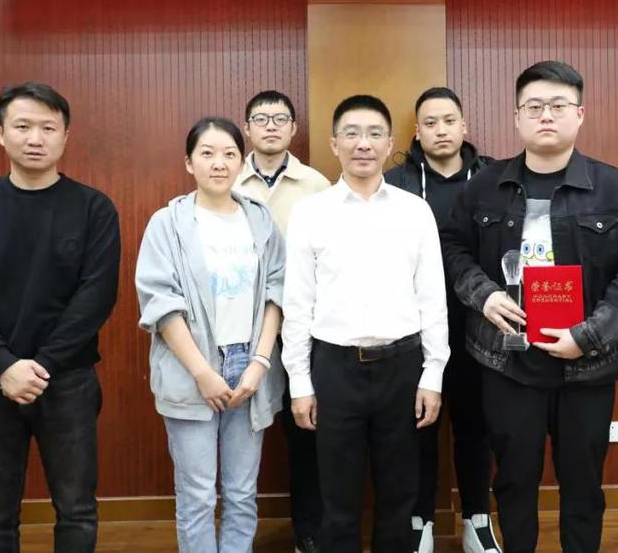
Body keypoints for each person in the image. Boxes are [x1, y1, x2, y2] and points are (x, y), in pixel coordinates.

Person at [441, 61, 618, 553]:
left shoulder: (615, 188)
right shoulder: (485, 186)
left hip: (587, 365)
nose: (545, 115)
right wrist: (484, 295)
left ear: (579, 114)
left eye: (558, 106)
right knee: (513, 482)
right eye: (534, 106)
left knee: (583, 486)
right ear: (517, 116)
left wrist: (588, 335)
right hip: (507, 362)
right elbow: (453, 248)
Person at [0, 81, 120, 552]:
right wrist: (4, 364)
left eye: (48, 127)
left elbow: (96, 296)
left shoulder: (94, 209)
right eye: (22, 126)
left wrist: (41, 366)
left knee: (77, 511)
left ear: (65, 135)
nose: (35, 138)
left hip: (68, 382)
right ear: (1, 134)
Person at [282, 95, 450, 553]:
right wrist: (300, 382)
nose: (363, 144)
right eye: (352, 134)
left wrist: (433, 375)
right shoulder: (310, 213)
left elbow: (432, 299)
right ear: (334, 143)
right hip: (334, 369)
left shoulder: (414, 211)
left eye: (375, 134)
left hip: (403, 367)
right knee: (337, 499)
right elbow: (297, 304)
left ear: (390, 143)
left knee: (400, 496)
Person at [135, 117, 286, 553]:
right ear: (189, 162)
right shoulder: (167, 223)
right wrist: (203, 373)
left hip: (250, 367)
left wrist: (260, 363)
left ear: (241, 162)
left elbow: (277, 291)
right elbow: (161, 303)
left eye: (229, 154)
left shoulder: (259, 219)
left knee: (242, 492)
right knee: (198, 495)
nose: (219, 163)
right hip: (192, 367)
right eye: (207, 153)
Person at [384, 87, 499, 553]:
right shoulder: (395, 183)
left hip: (479, 326)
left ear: (464, 125)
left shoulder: (492, 177)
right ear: (417, 131)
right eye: (430, 123)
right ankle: (420, 522)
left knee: (476, 427)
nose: (441, 130)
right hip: (413, 332)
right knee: (418, 428)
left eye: (449, 120)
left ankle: (477, 520)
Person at [234, 90, 330, 552]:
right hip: (238, 327)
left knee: (306, 431)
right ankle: (235, 534)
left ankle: (308, 531)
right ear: (247, 128)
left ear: (294, 128)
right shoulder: (227, 178)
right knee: (238, 428)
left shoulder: (317, 185)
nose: (270, 126)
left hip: (300, 327)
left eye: (280, 119)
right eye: (261, 118)